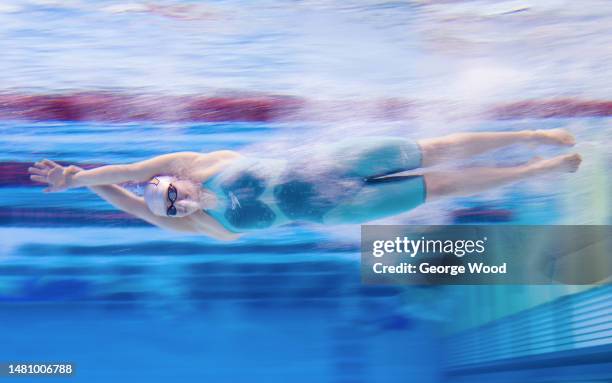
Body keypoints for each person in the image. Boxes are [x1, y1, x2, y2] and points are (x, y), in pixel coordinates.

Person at [29, 129, 581, 240]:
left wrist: (76, 176)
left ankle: (535, 134)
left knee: (431, 149)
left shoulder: (193, 163)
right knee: (438, 186)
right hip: (336, 207)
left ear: (172, 178)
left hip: (332, 162)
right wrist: (82, 188)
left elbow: (126, 177)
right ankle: (536, 170)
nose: (175, 202)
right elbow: (131, 202)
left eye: (168, 192)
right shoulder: (200, 226)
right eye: (169, 209)